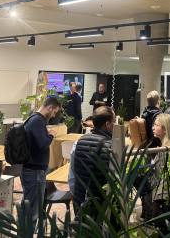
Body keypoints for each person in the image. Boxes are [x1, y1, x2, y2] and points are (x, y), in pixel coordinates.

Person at [22, 96, 61, 236]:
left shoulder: (34, 119)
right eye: (54, 112)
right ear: (50, 108)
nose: (54, 115)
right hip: (34, 172)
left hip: (33, 171)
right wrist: (51, 135)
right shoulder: (37, 121)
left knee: (28, 207)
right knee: (32, 211)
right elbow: (42, 144)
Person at [70, 106, 114, 215]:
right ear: (107, 124)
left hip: (80, 199)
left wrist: (75, 195)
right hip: (100, 203)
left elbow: (72, 175)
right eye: (113, 122)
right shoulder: (110, 146)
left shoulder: (78, 141)